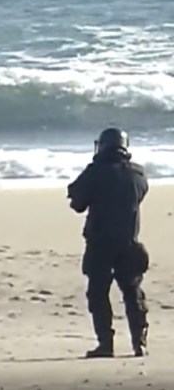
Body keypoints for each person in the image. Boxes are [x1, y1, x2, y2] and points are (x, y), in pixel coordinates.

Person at [67, 127, 150, 358]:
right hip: (128, 243)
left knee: (98, 294)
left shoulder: (95, 172)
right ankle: (139, 342)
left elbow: (77, 203)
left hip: (100, 244)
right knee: (133, 293)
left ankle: (106, 344)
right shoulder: (138, 174)